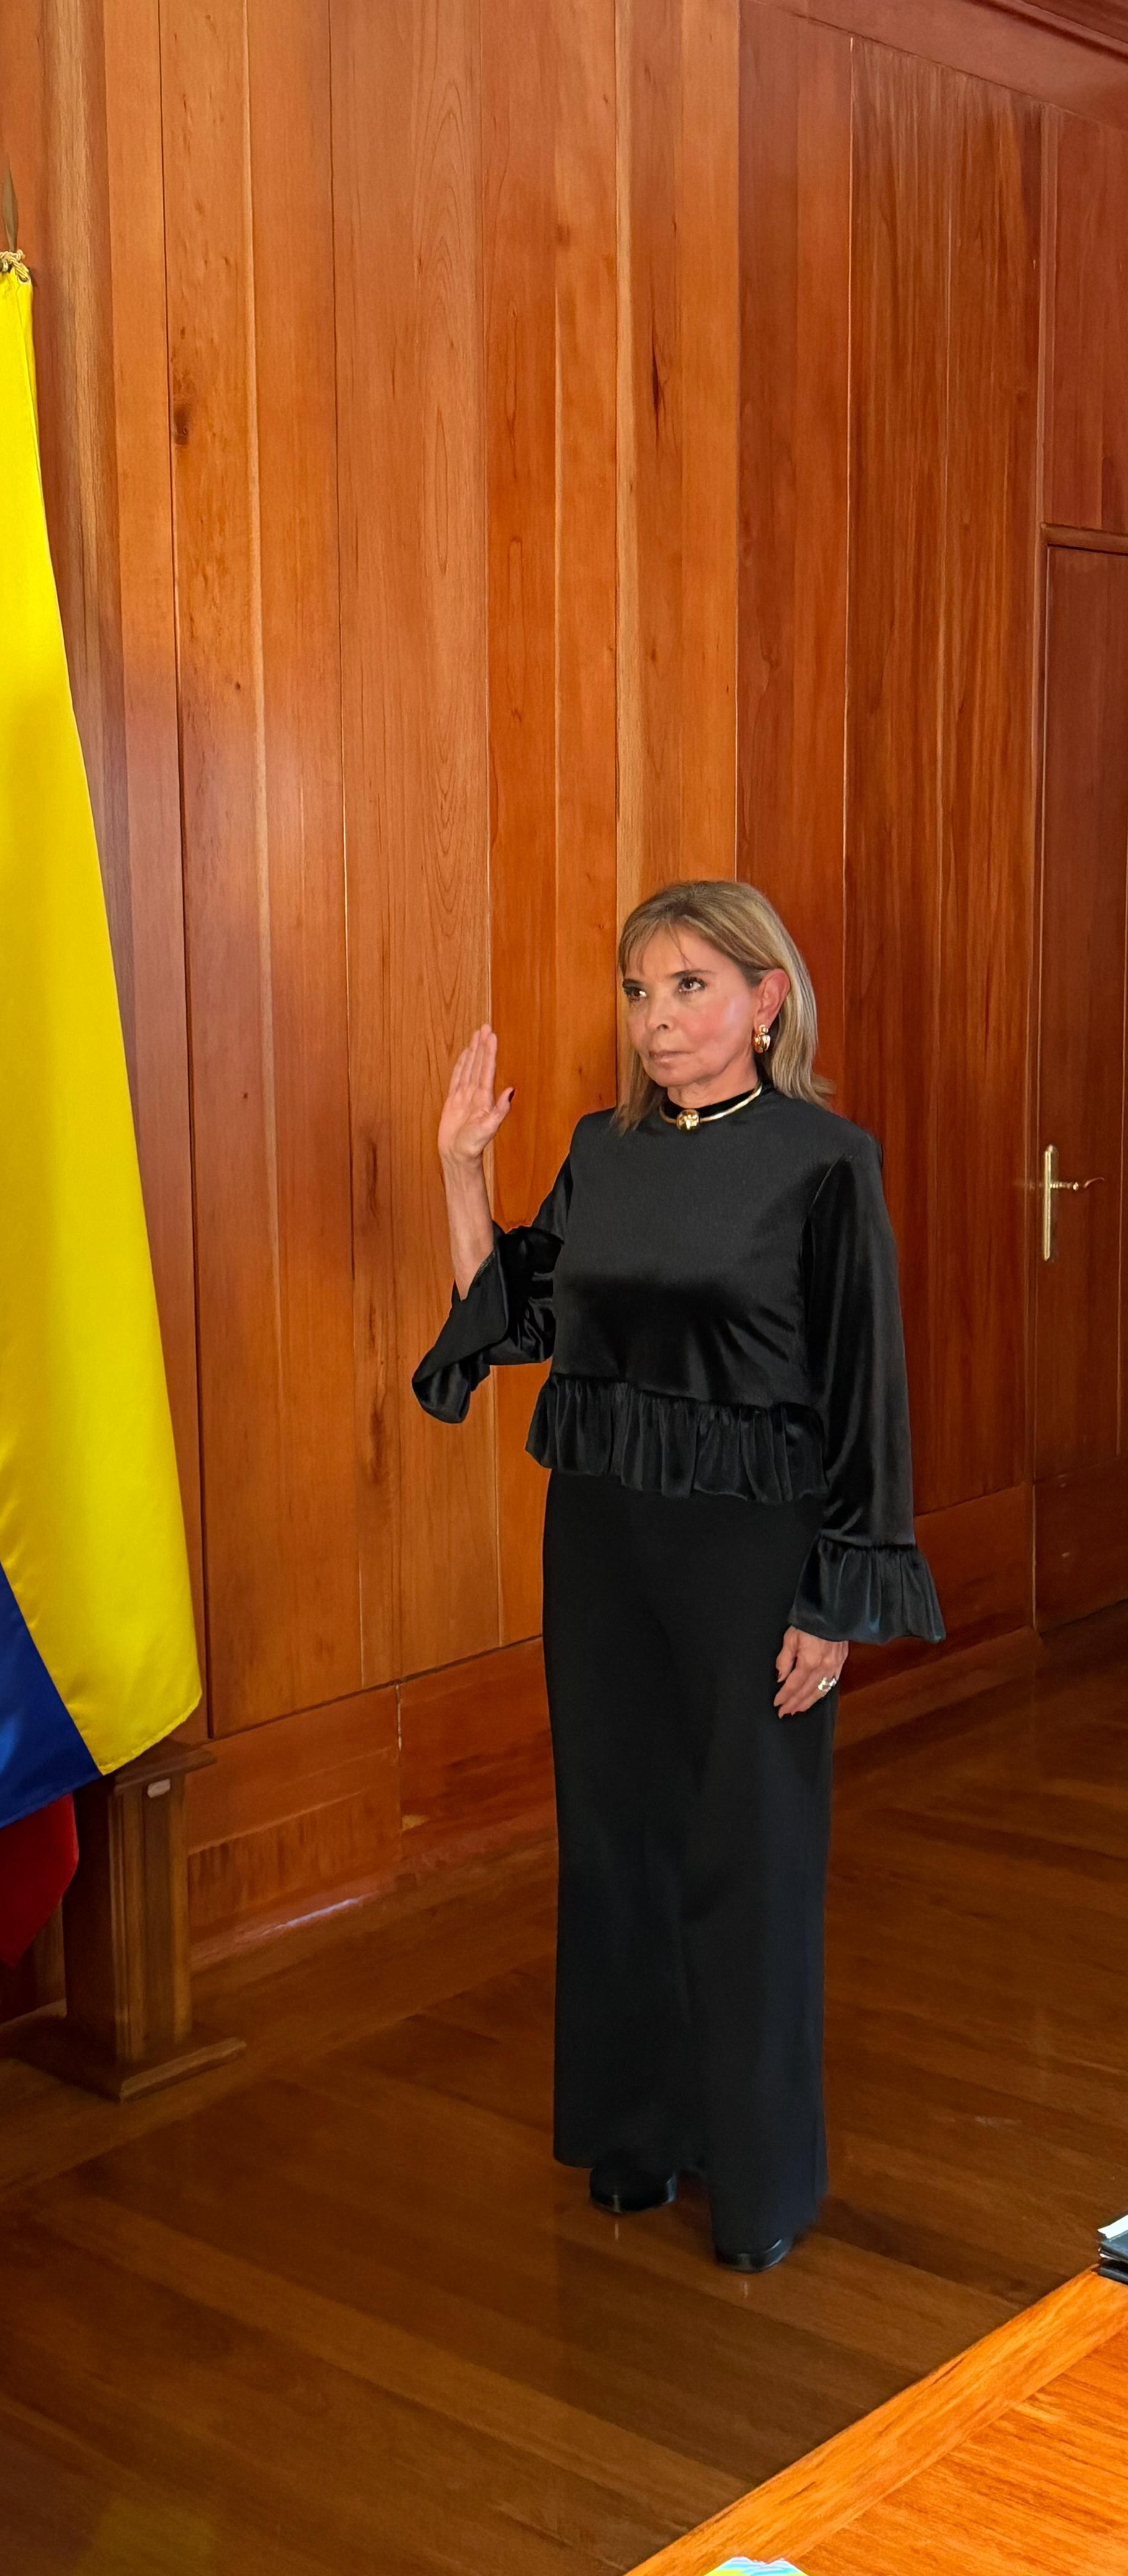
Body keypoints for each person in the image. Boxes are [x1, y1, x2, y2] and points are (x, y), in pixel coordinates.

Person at [415, 878, 942, 2274]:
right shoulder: (603, 1149)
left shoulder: (826, 1163)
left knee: (749, 1853)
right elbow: (509, 1319)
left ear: (767, 1001)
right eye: (641, 992)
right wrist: (465, 1169)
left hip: (755, 1555)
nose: (657, 1020)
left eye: (690, 987)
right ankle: (638, 2138)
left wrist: (838, 1597)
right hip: (600, 1543)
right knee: (619, 1837)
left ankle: (762, 2177)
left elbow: (865, 1391)